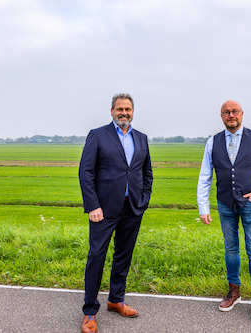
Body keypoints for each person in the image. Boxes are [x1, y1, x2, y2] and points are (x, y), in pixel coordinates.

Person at [197, 100, 251, 324]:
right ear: (221, 116)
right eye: (226, 112)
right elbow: (205, 175)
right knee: (231, 248)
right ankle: (234, 291)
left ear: (242, 114)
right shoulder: (212, 142)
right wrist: (203, 207)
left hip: (250, 204)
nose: (231, 115)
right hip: (225, 203)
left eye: (234, 112)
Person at [79, 93, 153, 333]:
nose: (124, 112)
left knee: (124, 255)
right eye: (119, 109)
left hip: (132, 208)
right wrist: (92, 205)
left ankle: (116, 300)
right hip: (103, 210)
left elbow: (146, 172)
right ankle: (90, 311)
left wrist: (143, 200)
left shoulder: (141, 138)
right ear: (111, 111)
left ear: (133, 112)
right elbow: (86, 172)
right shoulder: (98, 135)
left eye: (128, 109)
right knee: (96, 257)